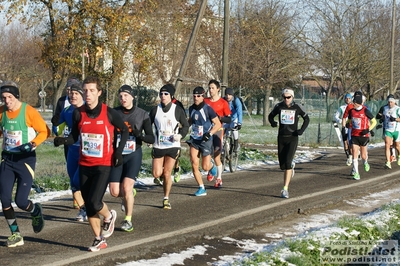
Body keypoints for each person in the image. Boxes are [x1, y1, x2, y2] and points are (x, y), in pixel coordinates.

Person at [54, 76, 129, 252]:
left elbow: (124, 130)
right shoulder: (78, 113)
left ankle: (109, 215)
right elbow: (74, 136)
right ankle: (98, 239)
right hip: (84, 163)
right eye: (85, 90)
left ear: (99, 93)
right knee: (88, 204)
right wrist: (63, 140)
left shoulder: (109, 112)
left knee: (95, 202)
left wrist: (118, 152)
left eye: (92, 90)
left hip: (103, 164)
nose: (88, 94)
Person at [0, 80, 50, 247]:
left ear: (16, 96)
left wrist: (33, 144)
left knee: (21, 201)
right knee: (4, 199)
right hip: (7, 159)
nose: (7, 101)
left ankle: (35, 211)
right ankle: (15, 234)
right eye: (3, 97)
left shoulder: (28, 111)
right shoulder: (1, 112)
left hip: (25, 161)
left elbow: (44, 131)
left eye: (9, 97)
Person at [109, 85, 155, 231]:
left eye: (126, 96)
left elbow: (151, 138)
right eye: (121, 96)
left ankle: (128, 220)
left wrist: (139, 135)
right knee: (115, 191)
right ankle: (128, 195)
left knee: (127, 187)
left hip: (133, 154)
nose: (123, 98)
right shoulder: (113, 112)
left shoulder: (142, 114)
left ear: (132, 97)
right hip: (117, 154)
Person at [149, 84, 189, 209]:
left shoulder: (177, 110)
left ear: (171, 96)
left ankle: (166, 198)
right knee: (156, 174)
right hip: (159, 145)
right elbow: (147, 125)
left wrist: (180, 135)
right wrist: (149, 138)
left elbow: (186, 126)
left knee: (167, 173)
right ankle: (161, 177)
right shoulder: (155, 110)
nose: (163, 96)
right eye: (161, 94)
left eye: (166, 94)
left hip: (173, 145)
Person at [268, 88, 309, 199]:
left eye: (288, 97)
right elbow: (270, 116)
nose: (286, 99)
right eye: (284, 97)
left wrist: (301, 130)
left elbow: (307, 119)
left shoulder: (297, 107)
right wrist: (272, 123)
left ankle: (285, 189)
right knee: (282, 165)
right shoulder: (279, 106)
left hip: (292, 138)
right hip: (281, 137)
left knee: (287, 162)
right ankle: (290, 167)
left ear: (292, 97)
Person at [54, 83, 87, 221]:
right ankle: (83, 209)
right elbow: (58, 126)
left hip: (86, 152)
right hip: (72, 150)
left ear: (82, 95)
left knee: (79, 180)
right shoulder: (66, 110)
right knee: (73, 182)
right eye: (71, 93)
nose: (73, 96)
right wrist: (55, 123)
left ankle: (94, 205)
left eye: (76, 93)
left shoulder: (88, 110)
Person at [51, 77, 80, 209]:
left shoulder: (85, 106)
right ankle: (77, 199)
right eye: (68, 90)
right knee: (72, 174)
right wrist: (55, 123)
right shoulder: (63, 103)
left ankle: (86, 200)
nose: (70, 93)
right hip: (69, 142)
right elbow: (57, 123)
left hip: (85, 146)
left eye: (73, 90)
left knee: (82, 175)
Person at [187, 86, 221, 196]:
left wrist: (209, 133)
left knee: (205, 167)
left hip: (206, 140)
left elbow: (218, 124)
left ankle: (212, 167)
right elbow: (191, 120)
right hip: (195, 139)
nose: (196, 98)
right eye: (194, 96)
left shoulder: (208, 109)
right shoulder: (191, 109)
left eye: (198, 96)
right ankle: (201, 187)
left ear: (203, 96)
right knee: (194, 163)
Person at [204, 80, 231, 188]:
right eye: (209, 88)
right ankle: (211, 169)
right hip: (206, 131)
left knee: (216, 156)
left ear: (218, 89)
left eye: (213, 88)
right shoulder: (205, 101)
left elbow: (229, 119)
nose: (210, 90)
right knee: (207, 154)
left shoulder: (223, 103)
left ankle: (219, 178)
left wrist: (220, 118)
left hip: (218, 131)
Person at [346, 94, 376, 180]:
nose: (352, 103)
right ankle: (357, 173)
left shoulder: (365, 110)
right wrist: (348, 123)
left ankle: (365, 162)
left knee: (363, 155)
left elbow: (374, 122)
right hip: (354, 135)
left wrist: (368, 130)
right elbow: (349, 119)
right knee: (354, 153)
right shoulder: (351, 111)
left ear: (357, 103)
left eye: (354, 102)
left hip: (363, 135)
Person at [375, 95, 400, 169]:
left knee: (397, 146)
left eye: (391, 102)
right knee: (387, 145)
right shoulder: (385, 108)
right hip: (388, 130)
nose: (390, 104)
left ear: (394, 102)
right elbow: (381, 116)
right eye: (389, 102)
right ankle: (388, 162)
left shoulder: (398, 109)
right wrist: (382, 119)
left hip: (396, 130)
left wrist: (395, 119)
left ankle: (399, 155)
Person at [171, 86, 186, 183]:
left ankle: (176, 169)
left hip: (175, 133)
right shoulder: (161, 105)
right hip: (163, 135)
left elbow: (184, 119)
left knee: (175, 153)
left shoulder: (178, 104)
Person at [333, 93, 353, 166]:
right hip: (344, 127)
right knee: (345, 143)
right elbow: (336, 116)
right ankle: (348, 157)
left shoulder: (353, 106)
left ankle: (352, 154)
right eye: (346, 98)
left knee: (351, 142)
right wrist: (340, 121)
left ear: (351, 99)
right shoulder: (342, 108)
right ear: (344, 99)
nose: (348, 100)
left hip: (351, 127)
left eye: (349, 98)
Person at [223, 88, 243, 154]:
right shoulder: (223, 100)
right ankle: (224, 147)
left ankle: (236, 144)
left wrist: (239, 123)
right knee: (224, 133)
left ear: (232, 95)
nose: (228, 96)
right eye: (226, 95)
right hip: (226, 118)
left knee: (234, 129)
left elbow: (239, 112)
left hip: (234, 118)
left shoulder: (236, 101)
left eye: (229, 95)